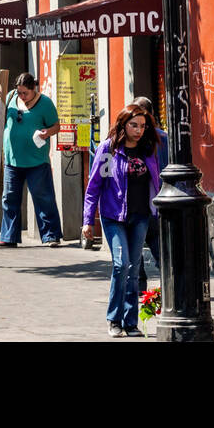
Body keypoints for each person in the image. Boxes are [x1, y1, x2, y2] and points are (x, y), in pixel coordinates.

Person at [83, 103, 161, 338]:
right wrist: (88, 220)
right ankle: (113, 319)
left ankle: (131, 322)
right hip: (113, 216)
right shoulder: (109, 150)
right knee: (121, 264)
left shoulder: (148, 150)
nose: (138, 130)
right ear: (123, 124)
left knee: (135, 268)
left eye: (142, 126)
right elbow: (94, 186)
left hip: (140, 217)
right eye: (134, 125)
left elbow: (155, 182)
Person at [0, 72, 62, 248]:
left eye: (25, 93)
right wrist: (0, 101)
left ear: (34, 89)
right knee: (9, 199)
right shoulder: (10, 97)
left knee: (43, 198)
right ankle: (9, 236)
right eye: (19, 92)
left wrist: (47, 133)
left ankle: (51, 235)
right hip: (12, 159)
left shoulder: (45, 103)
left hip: (37, 161)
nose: (22, 96)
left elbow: (56, 126)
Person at [132, 96, 168, 291]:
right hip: (158, 201)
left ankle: (140, 287)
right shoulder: (164, 138)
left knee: (139, 248)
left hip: (147, 203)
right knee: (160, 248)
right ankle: (169, 285)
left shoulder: (138, 139)